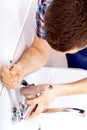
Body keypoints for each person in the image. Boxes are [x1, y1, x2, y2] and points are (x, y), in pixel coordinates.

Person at [1, 0, 87, 119]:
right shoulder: (47, 4)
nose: (61, 54)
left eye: (66, 50)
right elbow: (39, 50)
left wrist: (57, 91)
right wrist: (20, 69)